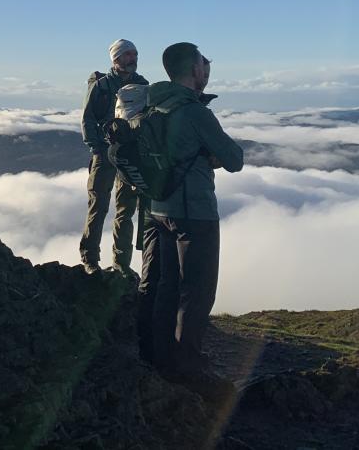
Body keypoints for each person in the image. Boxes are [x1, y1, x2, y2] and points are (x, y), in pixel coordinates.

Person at [147, 42, 244, 379]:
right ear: (194, 70)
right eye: (205, 63)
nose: (207, 69)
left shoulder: (151, 104)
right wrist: (208, 155)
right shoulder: (194, 112)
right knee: (198, 292)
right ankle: (187, 368)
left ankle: (162, 360)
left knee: (167, 288)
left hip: (158, 207)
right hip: (194, 212)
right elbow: (234, 159)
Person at [79, 39, 149, 275]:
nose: (133, 58)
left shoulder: (142, 85)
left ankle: (121, 264)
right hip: (105, 154)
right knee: (98, 206)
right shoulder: (101, 86)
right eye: (128, 54)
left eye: (135, 54)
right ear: (116, 59)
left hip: (130, 155)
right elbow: (87, 118)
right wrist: (97, 149)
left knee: (125, 210)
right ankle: (90, 260)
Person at [115, 83, 160, 364]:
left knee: (152, 269)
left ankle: (146, 335)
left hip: (151, 209)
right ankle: (152, 340)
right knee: (157, 273)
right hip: (160, 210)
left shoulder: (119, 147)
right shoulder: (145, 134)